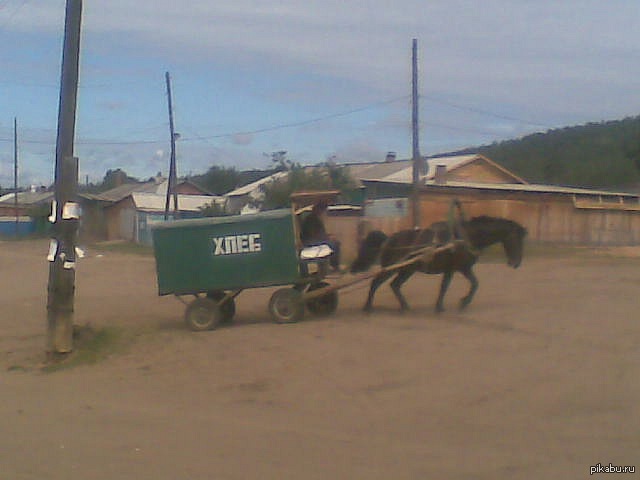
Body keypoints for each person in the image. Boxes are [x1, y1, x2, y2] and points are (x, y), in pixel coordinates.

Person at [300, 199, 341, 272]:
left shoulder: (314, 218)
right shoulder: (312, 219)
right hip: (310, 243)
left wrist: (328, 237)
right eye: (324, 211)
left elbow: (319, 233)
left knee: (334, 242)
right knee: (335, 244)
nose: (325, 213)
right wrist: (327, 238)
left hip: (313, 241)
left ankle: (332, 266)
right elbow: (314, 234)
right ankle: (334, 266)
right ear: (320, 210)